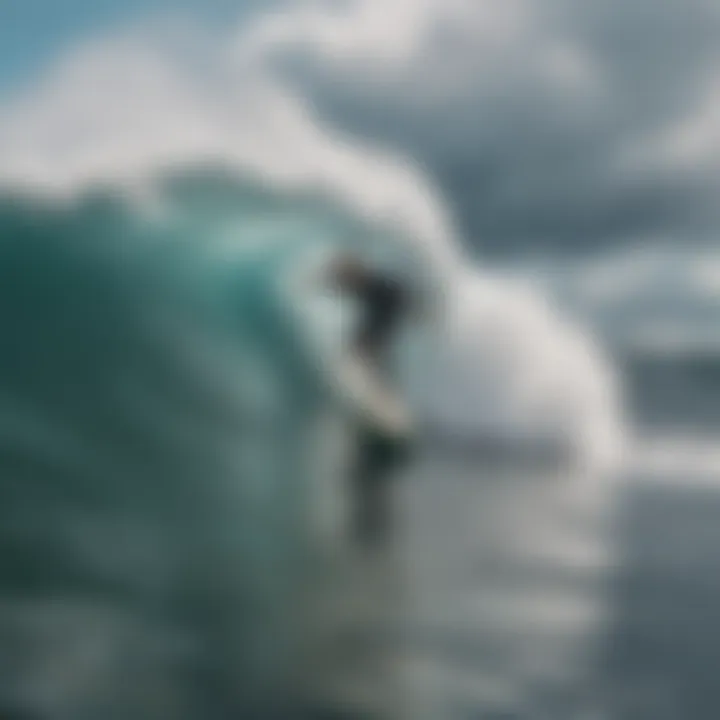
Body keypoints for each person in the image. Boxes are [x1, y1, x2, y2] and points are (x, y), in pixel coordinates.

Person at [327, 251, 415, 549]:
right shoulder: (371, 289)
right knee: (374, 387)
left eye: (345, 282)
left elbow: (395, 301)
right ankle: (384, 441)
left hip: (379, 339)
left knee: (377, 384)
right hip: (378, 342)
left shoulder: (378, 289)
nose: (344, 290)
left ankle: (389, 443)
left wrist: (370, 342)